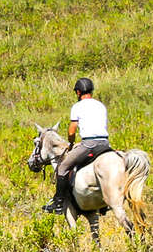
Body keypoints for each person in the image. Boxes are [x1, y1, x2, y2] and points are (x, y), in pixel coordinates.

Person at [43, 77, 109, 215]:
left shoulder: (77, 107)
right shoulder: (100, 105)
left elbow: (72, 130)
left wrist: (72, 142)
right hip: (105, 143)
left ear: (78, 92)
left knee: (62, 167)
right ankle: (104, 202)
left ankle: (59, 203)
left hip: (89, 144)